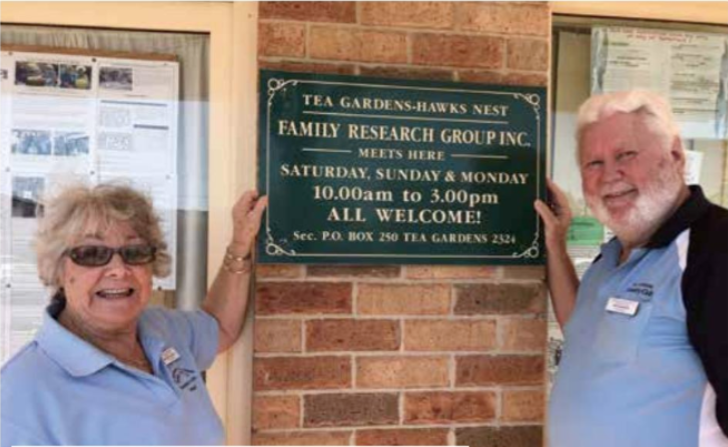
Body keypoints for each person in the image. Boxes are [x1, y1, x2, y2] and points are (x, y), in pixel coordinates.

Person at [1, 182, 267, 445]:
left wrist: (240, 245)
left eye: (134, 252)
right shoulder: (22, 395)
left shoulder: (161, 329)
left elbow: (219, 326)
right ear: (59, 269)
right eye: (92, 253)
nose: (119, 268)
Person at [535, 91, 728, 447]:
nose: (610, 175)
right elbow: (583, 329)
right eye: (593, 163)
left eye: (626, 155)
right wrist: (555, 244)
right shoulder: (614, 253)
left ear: (674, 156)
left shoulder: (713, 250)